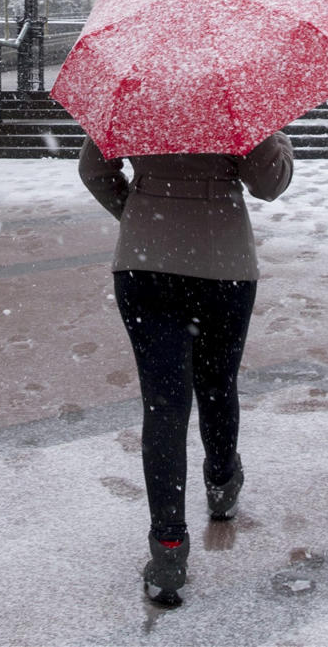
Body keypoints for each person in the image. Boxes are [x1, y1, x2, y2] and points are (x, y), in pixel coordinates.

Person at [77, 132, 295, 608]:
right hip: (224, 263)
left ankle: (168, 550)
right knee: (217, 384)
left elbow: (95, 171)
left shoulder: (136, 88)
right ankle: (221, 484)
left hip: (144, 265)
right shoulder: (237, 98)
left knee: (164, 405)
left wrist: (139, 212)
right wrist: (276, 136)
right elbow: (269, 183)